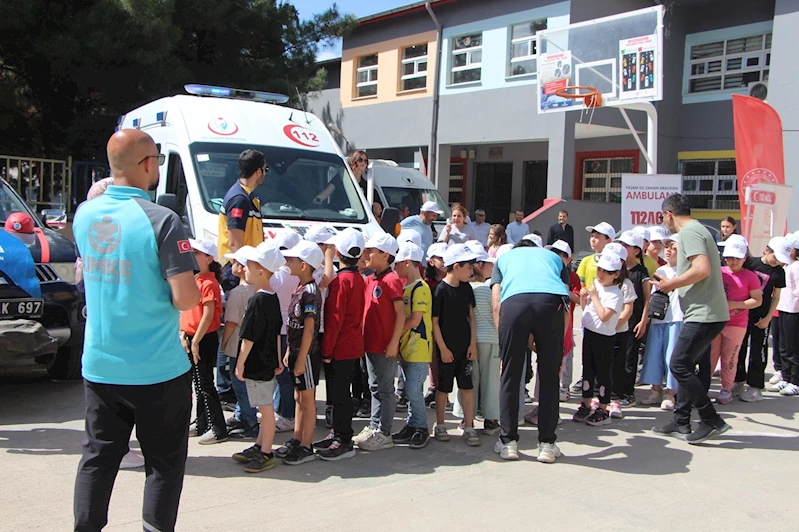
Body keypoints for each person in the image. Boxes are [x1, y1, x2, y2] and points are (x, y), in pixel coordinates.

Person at [73, 129, 201, 531]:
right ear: (147, 165)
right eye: (157, 161)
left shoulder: (84, 214)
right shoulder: (162, 220)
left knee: (98, 458)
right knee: (163, 464)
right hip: (157, 368)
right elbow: (185, 298)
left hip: (101, 365)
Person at [652, 193, 731, 444]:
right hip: (704, 312)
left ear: (669, 214)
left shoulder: (690, 232)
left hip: (705, 313)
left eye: (662, 217)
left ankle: (711, 419)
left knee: (678, 365)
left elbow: (702, 269)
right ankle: (681, 420)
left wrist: (671, 284)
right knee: (686, 366)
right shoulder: (697, 230)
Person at [490, 235, 571, 463]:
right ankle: (547, 444)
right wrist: (559, 348)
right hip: (551, 305)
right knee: (549, 377)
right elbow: (566, 302)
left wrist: (504, 345)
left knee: (510, 375)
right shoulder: (554, 259)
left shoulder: (504, 259)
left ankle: (508, 442)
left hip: (513, 305)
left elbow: (496, 304)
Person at [231, 244, 286, 473]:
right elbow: (276, 332)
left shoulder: (257, 300)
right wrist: (279, 359)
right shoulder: (273, 297)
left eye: (249, 266)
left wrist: (240, 362)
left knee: (265, 410)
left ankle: (266, 452)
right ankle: (259, 445)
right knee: (264, 408)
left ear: (262, 271)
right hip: (268, 361)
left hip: (257, 363)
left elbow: (248, 337)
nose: (245, 269)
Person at [317, 228, 367, 460]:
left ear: (337, 253)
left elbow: (335, 319)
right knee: (340, 393)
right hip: (352, 344)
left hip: (339, 346)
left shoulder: (341, 281)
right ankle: (338, 432)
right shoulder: (358, 278)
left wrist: (326, 349)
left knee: (339, 395)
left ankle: (344, 439)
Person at [354, 234, 405, 451]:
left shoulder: (392, 280)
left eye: (371, 251)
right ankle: (374, 425)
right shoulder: (370, 279)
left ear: (385, 255)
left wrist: (394, 343)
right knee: (374, 387)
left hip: (384, 345)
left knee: (385, 389)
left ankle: (385, 431)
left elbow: (400, 314)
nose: (366, 255)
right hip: (370, 343)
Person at [276, 240, 325, 465]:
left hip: (306, 354)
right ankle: (297, 438)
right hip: (296, 351)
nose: (288, 262)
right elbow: (293, 324)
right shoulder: (300, 287)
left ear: (304, 265)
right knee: (298, 396)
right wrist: (290, 350)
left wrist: (302, 357)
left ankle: (306, 445)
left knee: (307, 399)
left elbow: (309, 328)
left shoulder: (311, 292)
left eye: (292, 260)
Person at [430, 244, 481, 446]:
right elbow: (434, 322)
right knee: (443, 388)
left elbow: (471, 317)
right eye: (469, 267)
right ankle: (440, 425)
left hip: (465, 348)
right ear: (457, 266)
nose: (471, 271)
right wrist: (442, 348)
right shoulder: (440, 290)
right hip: (446, 349)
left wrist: (473, 344)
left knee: (467, 386)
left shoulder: (467, 288)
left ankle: (469, 426)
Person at [180, 239, 227, 444]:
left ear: (209, 259)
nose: (192, 256)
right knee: (198, 384)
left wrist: (196, 341)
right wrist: (184, 333)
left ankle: (218, 428)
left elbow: (208, 316)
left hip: (203, 338)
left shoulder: (209, 283)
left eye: (197, 253)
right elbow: (189, 311)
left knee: (206, 384)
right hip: (193, 337)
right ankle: (202, 423)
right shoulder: (196, 279)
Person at [573, 252, 625, 428]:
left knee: (603, 372)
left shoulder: (615, 293)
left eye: (607, 272)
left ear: (616, 274)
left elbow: (604, 316)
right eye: (600, 270)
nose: (601, 274)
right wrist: (584, 296)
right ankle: (586, 403)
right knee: (588, 369)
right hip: (589, 332)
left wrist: (594, 296)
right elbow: (586, 308)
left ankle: (603, 408)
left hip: (604, 337)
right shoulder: (596, 284)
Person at [735, 236, 790, 401]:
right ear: (767, 250)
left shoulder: (779, 272)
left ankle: (756, 386)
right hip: (743, 312)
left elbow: (776, 297)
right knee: (739, 347)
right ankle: (737, 380)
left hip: (762, 316)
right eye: (776, 257)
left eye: (781, 260)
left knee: (759, 350)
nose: (778, 262)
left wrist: (768, 318)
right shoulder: (751, 264)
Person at [391, 241, 434, 449]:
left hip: (419, 347)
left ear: (407, 262)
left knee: (413, 389)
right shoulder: (405, 287)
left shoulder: (421, 288)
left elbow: (415, 320)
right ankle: (412, 424)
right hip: (405, 346)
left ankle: (422, 427)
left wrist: (394, 334)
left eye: (398, 263)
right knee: (409, 389)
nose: (395, 267)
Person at [710, 236, 762, 404]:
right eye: (729, 258)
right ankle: (703, 386)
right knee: (710, 356)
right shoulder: (718, 272)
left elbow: (757, 300)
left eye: (737, 258)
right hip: (715, 322)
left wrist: (735, 304)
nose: (733, 262)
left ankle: (726, 388)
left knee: (730, 358)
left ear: (744, 258)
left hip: (736, 324)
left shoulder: (750, 276)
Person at [640, 234, 682, 411]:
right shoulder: (660, 270)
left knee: (671, 355)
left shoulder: (686, 271)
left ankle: (670, 393)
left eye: (673, 247)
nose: (669, 250)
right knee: (654, 353)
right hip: (659, 318)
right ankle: (655, 389)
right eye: (667, 247)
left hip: (677, 317)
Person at [219, 247, 259, 437]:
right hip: (255, 345)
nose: (232, 266)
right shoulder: (260, 289)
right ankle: (242, 414)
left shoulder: (237, 292)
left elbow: (231, 323)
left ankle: (249, 421)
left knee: (239, 385)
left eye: (235, 262)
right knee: (248, 384)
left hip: (237, 345)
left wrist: (224, 344)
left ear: (243, 268)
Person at [218, 149, 267, 292]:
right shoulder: (239, 199)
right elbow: (234, 243)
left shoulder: (246, 197)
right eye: (266, 170)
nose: (265, 174)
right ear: (258, 172)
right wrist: (243, 271)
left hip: (244, 268)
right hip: (236, 271)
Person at [268, 230, 301, 434]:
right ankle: (285, 411)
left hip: (282, 330)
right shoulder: (302, 274)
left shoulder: (277, 275)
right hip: (292, 329)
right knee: (287, 376)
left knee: (283, 376)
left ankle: (288, 416)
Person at [616, 230, 651, 409]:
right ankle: (615, 392)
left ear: (637, 250)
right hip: (616, 323)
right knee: (617, 358)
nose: (622, 247)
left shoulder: (641, 272)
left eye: (627, 245)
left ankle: (628, 393)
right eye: (621, 244)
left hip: (633, 323)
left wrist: (643, 321)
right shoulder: (616, 270)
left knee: (630, 359)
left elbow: (647, 299)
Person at [774, 236, 799, 396]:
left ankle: (795, 381)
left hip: (793, 310)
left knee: (792, 347)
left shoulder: (796, 267)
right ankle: (786, 376)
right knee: (782, 346)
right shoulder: (786, 266)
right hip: (782, 308)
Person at [423, 242, 447, 406]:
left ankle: (443, 391)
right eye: (440, 258)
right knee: (433, 360)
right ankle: (434, 388)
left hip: (448, 325)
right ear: (431, 261)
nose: (444, 261)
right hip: (431, 326)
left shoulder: (453, 281)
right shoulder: (426, 283)